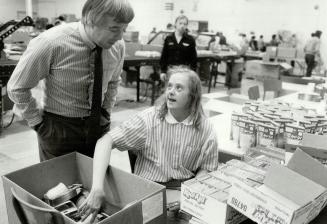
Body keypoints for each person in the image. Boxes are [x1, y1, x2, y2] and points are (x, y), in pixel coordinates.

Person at [79, 66, 219, 222]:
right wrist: (97, 187)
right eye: (170, 86)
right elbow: (105, 141)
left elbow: (206, 167)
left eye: (179, 88)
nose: (171, 91)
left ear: (193, 96)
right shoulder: (149, 119)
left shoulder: (205, 128)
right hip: (148, 190)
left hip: (182, 193)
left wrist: (189, 196)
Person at [7, 0, 134, 161]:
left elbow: (113, 82)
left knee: (94, 180)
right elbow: (17, 87)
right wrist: (38, 123)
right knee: (60, 182)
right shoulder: (51, 43)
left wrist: (105, 113)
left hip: (98, 125)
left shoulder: (118, 45)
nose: (120, 36)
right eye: (114, 29)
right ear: (89, 20)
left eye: (124, 29)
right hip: (60, 129)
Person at [160, 15, 197, 81]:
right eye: (180, 23)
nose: (182, 26)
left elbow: (193, 58)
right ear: (175, 24)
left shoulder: (190, 40)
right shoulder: (169, 39)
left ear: (186, 26)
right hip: (170, 71)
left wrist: (193, 73)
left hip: (185, 72)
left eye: (185, 24)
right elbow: (164, 56)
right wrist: (163, 71)